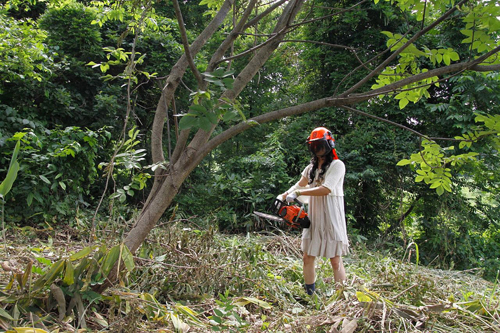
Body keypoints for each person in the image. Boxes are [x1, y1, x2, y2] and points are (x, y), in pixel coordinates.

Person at [280, 127, 349, 295]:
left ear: (328, 144)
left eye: (320, 145)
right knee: (307, 256)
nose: (318, 149)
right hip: (315, 214)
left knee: (335, 260)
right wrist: (284, 195)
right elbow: (300, 184)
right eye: (314, 146)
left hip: (332, 214)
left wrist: (298, 194)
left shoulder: (337, 165)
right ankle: (309, 294)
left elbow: (326, 189)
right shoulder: (310, 168)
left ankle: (342, 296)